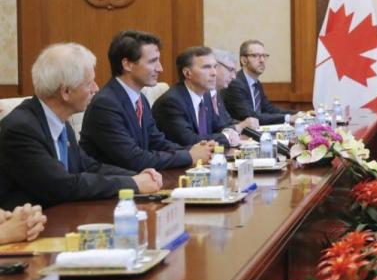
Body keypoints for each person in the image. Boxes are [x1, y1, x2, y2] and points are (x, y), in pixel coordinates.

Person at [0, 43, 161, 209]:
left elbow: (89, 166)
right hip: (28, 226)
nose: (96, 89)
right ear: (66, 92)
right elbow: (62, 186)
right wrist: (132, 183)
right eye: (89, 84)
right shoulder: (20, 129)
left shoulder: (59, 121)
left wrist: (139, 176)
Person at [81, 30, 214, 171]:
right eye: (152, 62)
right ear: (127, 64)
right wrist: (189, 156)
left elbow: (156, 141)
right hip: (116, 186)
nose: (160, 68)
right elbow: (134, 159)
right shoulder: (105, 104)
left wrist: (195, 150)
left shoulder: (140, 98)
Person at [153, 47, 252, 147]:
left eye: (215, 66)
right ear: (187, 73)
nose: (214, 73)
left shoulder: (207, 96)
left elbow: (219, 127)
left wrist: (232, 132)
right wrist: (227, 137)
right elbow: (190, 140)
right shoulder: (171, 102)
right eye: (207, 67)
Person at [223, 40, 292, 125]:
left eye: (264, 56)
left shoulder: (256, 83)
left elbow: (269, 109)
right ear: (244, 60)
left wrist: (299, 114)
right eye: (256, 56)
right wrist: (288, 118)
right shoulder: (235, 83)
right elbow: (252, 117)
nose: (262, 60)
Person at [211, 48, 258, 130]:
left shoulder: (216, 93)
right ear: (215, 66)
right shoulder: (204, 95)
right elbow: (214, 130)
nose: (234, 77)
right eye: (230, 70)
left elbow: (227, 122)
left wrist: (245, 124)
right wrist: (240, 126)